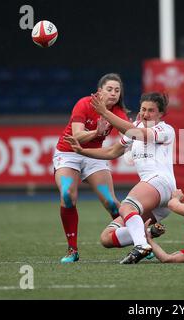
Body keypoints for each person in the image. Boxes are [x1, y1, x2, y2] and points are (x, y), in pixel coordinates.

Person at [65, 92, 176, 264]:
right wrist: (82, 151)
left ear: (161, 114)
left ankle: (141, 246)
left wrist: (104, 112)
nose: (146, 114)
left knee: (126, 206)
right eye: (143, 109)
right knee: (107, 238)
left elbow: (136, 132)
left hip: (161, 182)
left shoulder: (165, 129)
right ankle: (148, 234)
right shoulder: (137, 127)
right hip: (155, 194)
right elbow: (112, 151)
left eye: (151, 111)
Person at [53, 73, 130, 264]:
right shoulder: (84, 104)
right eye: (109, 89)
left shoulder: (116, 112)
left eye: (117, 90)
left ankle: (140, 241)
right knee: (67, 195)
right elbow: (77, 137)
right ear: (99, 91)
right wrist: (97, 131)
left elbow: (130, 133)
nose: (113, 93)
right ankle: (72, 250)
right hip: (68, 153)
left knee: (111, 202)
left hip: (94, 156)